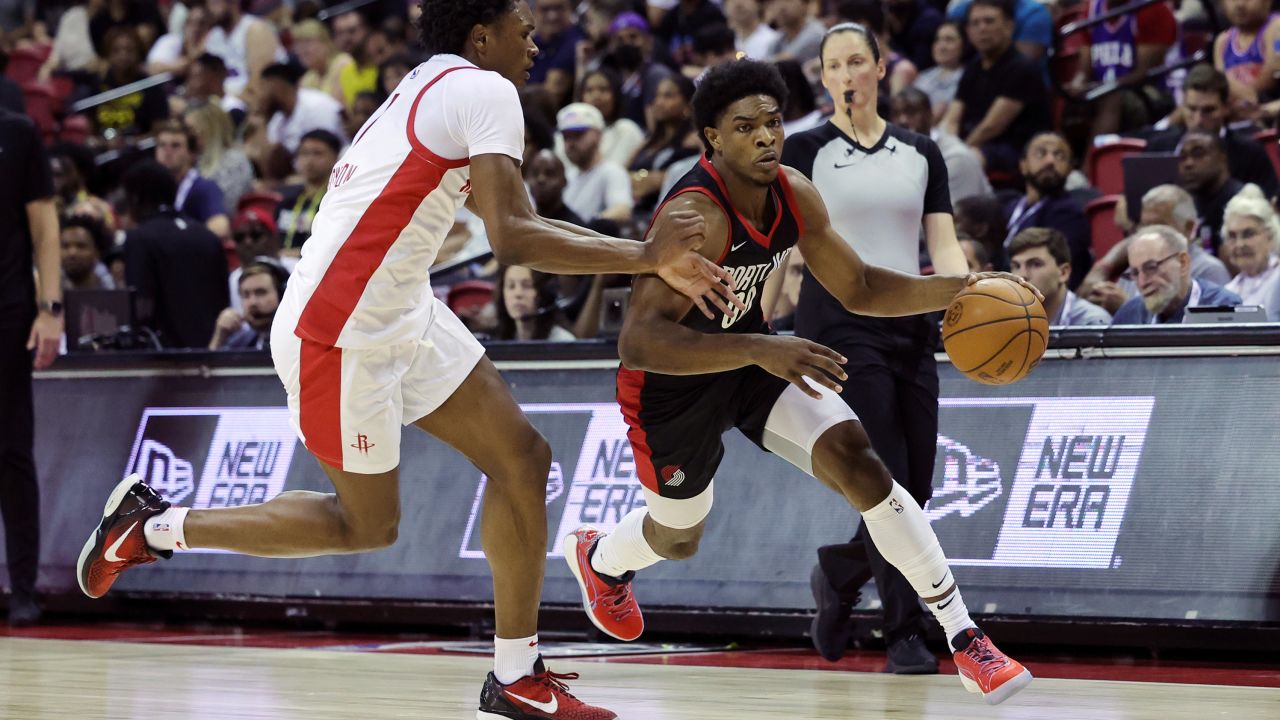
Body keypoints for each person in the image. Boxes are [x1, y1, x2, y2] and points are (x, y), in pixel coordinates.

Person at [77, 3, 741, 719]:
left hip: (401, 306)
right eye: (522, 26)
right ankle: (147, 527)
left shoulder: (438, 80)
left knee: (521, 458)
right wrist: (645, 256)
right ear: (481, 35)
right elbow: (514, 239)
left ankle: (516, 674)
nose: (536, 38)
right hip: (340, 329)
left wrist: (642, 256)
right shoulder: (484, 90)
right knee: (364, 526)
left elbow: (515, 223)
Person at [562, 59, 1034, 706]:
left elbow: (861, 287)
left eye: (774, 122)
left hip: (754, 361)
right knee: (678, 534)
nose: (765, 137)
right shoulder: (697, 217)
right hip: (673, 382)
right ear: (712, 140)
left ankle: (964, 636)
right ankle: (601, 562)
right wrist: (759, 345)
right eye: (744, 126)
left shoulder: (794, 192)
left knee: (859, 460)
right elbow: (638, 342)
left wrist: (959, 287)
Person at [781, 22, 969, 674]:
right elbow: (782, 244)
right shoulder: (802, 150)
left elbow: (941, 244)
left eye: (858, 60)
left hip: (909, 317)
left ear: (881, 67)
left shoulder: (922, 151)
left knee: (917, 484)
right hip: (837, 322)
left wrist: (964, 293)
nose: (848, 73)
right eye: (835, 65)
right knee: (889, 477)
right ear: (825, 78)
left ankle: (839, 569)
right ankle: (905, 634)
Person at [0, 107, 61, 627]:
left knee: (12, 452)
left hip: (9, 312)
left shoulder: (16, 132)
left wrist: (51, 307)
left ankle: (23, 589)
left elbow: (44, 225)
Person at [119, 160, 229, 348]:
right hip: (214, 352)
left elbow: (140, 308)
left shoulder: (139, 239)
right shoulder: (207, 236)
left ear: (135, 198)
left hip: (167, 359)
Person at [1081, 184, 1233, 313]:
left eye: (1158, 226)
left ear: (1189, 227)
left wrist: (1126, 307)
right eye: (1144, 225)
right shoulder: (1134, 267)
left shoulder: (1209, 269)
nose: (1149, 234)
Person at [942, 0, 1049, 173]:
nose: (982, 28)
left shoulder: (1022, 67)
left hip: (1017, 150)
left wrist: (956, 154)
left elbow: (991, 127)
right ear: (968, 31)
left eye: (989, 21)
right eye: (975, 23)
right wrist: (945, 145)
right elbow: (953, 117)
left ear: (1009, 26)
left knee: (964, 161)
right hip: (974, 145)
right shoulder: (973, 67)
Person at [1004, 132, 1091, 289]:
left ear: (1070, 169)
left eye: (1060, 156)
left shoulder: (1070, 215)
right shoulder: (1009, 206)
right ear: (1023, 165)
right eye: (1040, 153)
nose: (1050, 161)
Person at [1111, 225, 1242, 324]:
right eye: (1135, 273)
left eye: (1151, 268)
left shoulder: (1224, 308)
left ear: (1183, 262)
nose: (1142, 283)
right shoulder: (1128, 316)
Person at [1008, 228, 1111, 325]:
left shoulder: (1092, 322)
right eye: (1016, 266)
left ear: (1063, 273)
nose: (1022, 275)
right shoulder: (1007, 319)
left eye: (1036, 264)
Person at [1220, 184, 1280, 319]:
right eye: (1232, 236)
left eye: (1248, 234)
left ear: (1270, 236)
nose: (1239, 244)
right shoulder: (1228, 291)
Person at [209, 261, 286, 350]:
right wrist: (219, 337)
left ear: (282, 295)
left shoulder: (298, 339)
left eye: (261, 292)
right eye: (246, 295)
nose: (253, 302)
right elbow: (207, 364)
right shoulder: (244, 339)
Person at [492, 265, 576, 341]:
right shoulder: (493, 339)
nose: (518, 293)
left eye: (527, 286)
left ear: (545, 292)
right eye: (511, 286)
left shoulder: (562, 341)